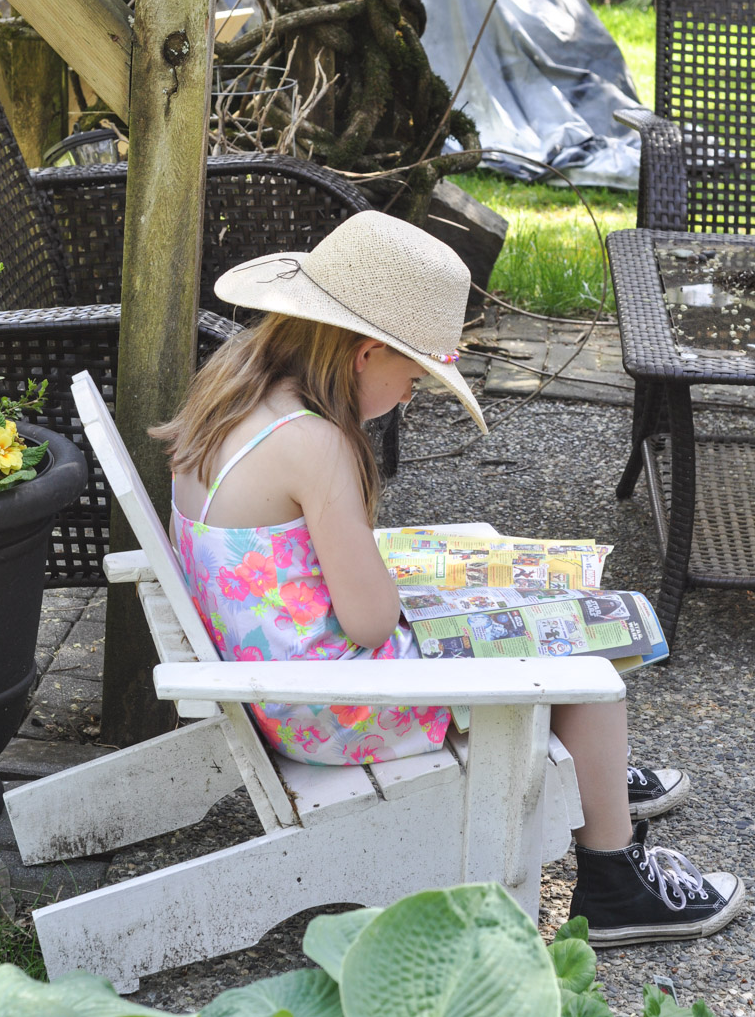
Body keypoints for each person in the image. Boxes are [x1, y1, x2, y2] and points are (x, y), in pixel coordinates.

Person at [154, 209, 745, 948]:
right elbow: (370, 622)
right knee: (585, 658)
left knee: (529, 613)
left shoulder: (232, 394)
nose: (408, 397)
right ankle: (614, 878)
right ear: (366, 353)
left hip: (280, 688)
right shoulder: (315, 444)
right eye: (411, 377)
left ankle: (596, 779)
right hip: (339, 710)